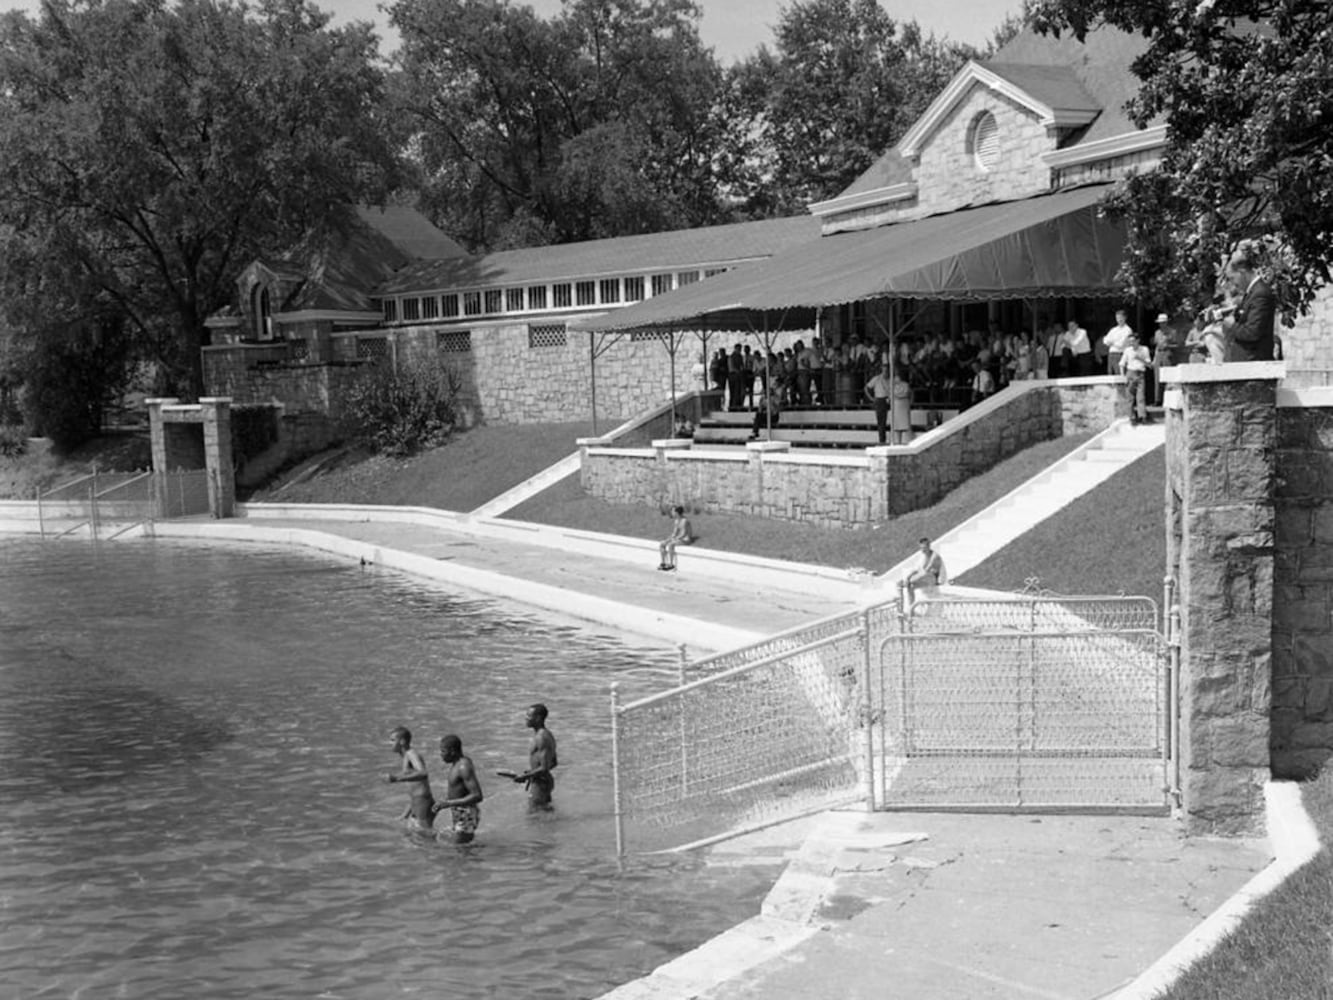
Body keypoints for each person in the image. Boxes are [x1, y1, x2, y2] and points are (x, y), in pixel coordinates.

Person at [1222, 247, 1276, 362]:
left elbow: (1252, 333)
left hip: (1254, 365)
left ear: (1242, 273)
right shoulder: (1251, 293)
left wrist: (1232, 326)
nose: (1233, 284)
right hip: (1244, 366)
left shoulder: (1260, 293)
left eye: (1232, 278)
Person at [431, 735, 483, 843]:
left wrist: (449, 803)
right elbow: (459, 790)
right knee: (462, 848)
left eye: (443, 751)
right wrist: (444, 802)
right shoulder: (457, 764)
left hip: (466, 814)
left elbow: (477, 795)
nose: (441, 755)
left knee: (460, 850)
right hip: (460, 812)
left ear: (452, 751)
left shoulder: (463, 767)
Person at [508, 703, 558, 810]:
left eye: (529, 715)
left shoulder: (541, 738)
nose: (526, 718)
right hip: (544, 781)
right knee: (545, 814)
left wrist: (525, 776)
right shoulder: (547, 734)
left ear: (538, 718)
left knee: (533, 817)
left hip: (540, 783)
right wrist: (531, 772)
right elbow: (553, 763)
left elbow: (544, 767)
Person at [385, 726, 435, 830]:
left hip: (423, 803)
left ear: (402, 741)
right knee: (411, 836)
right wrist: (405, 814)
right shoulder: (405, 757)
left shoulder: (411, 754)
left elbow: (423, 773)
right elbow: (414, 790)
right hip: (417, 803)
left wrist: (397, 779)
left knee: (423, 837)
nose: (389, 743)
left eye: (393, 740)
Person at [1119, 333, 1152, 425]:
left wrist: (1140, 358)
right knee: (1130, 397)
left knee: (1140, 397)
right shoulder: (1127, 350)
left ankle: (1142, 416)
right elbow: (1122, 363)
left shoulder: (1144, 349)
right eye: (1130, 342)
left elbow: (1149, 364)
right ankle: (1132, 417)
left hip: (1140, 373)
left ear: (1138, 341)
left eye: (1133, 341)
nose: (1131, 343)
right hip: (1130, 373)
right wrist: (1123, 377)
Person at [902, 537, 946, 604]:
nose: (922, 550)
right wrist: (908, 577)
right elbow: (916, 569)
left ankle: (910, 582)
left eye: (924, 548)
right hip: (925, 579)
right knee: (910, 586)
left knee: (923, 574)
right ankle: (911, 607)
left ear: (928, 546)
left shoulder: (935, 556)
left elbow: (926, 571)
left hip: (934, 580)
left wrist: (911, 580)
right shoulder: (923, 555)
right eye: (921, 548)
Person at [864, 359, 893, 444]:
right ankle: (882, 440)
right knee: (881, 422)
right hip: (879, 400)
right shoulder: (876, 379)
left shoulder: (891, 379)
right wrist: (872, 398)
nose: (886, 373)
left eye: (887, 371)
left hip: (889, 399)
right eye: (884, 371)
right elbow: (866, 388)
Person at [658, 504, 693, 571]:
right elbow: (674, 533)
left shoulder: (685, 521)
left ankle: (671, 565)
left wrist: (674, 539)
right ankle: (663, 563)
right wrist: (667, 540)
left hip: (686, 539)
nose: (673, 513)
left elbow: (684, 533)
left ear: (677, 513)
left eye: (674, 512)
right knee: (662, 544)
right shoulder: (676, 521)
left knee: (671, 545)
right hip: (680, 538)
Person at [1103, 309, 1134, 376]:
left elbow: (1121, 344)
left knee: (1119, 375)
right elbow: (1105, 340)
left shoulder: (1127, 330)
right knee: (1110, 374)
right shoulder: (1114, 329)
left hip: (1120, 355)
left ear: (1125, 318)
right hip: (1111, 355)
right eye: (1117, 318)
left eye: (1121, 318)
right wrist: (1113, 342)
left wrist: (1111, 342)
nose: (1119, 320)